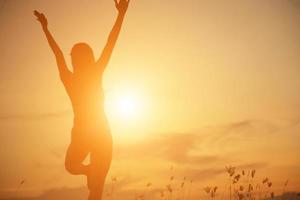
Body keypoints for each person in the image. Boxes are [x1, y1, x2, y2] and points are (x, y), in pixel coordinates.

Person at [34, 0, 130, 199]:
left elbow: (110, 42)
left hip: (101, 136)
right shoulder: (69, 79)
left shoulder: (95, 72)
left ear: (87, 58)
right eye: (73, 57)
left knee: (95, 192)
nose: (74, 60)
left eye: (78, 56)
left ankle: (93, 175)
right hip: (81, 135)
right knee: (70, 165)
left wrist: (121, 14)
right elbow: (57, 54)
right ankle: (90, 171)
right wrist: (45, 29)